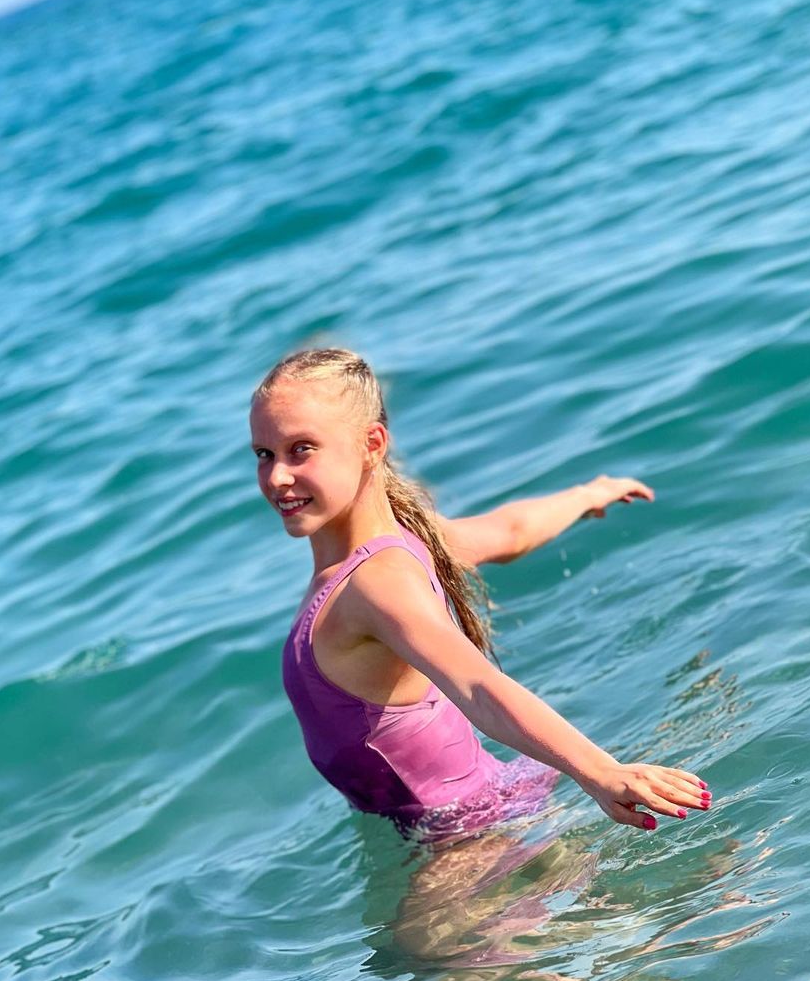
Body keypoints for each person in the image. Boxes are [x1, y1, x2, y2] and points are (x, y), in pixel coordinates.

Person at [250, 347, 710, 843]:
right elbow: (510, 531)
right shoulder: (410, 540)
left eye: (301, 449)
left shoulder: (376, 583)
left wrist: (601, 772)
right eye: (264, 454)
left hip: (464, 841)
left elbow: (477, 686)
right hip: (481, 805)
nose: (277, 477)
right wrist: (586, 496)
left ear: (372, 444)